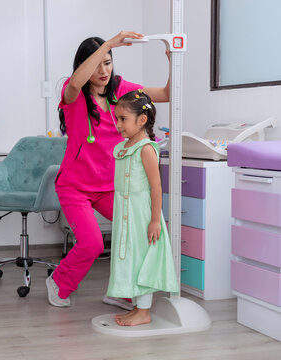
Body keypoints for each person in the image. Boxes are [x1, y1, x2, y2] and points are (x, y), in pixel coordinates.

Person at [45, 31, 170, 308]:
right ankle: (58, 281)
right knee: (92, 244)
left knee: (138, 231)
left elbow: (165, 94)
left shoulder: (122, 89)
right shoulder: (73, 92)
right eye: (98, 63)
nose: (103, 70)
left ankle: (121, 291)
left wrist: (173, 62)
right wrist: (109, 44)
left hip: (110, 186)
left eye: (109, 62)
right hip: (75, 186)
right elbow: (77, 81)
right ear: (85, 64)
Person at [107, 89, 179, 325]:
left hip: (141, 214)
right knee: (131, 258)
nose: (118, 124)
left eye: (123, 119)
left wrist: (155, 220)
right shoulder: (123, 147)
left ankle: (145, 311)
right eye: (116, 118)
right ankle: (138, 307)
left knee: (143, 258)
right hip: (125, 214)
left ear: (142, 120)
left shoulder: (147, 149)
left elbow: (156, 187)